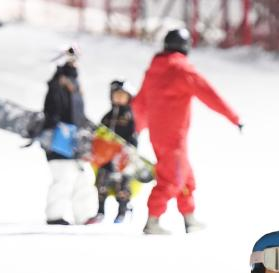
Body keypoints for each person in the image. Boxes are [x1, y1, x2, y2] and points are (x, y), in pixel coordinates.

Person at [131, 28, 242, 235]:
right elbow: (209, 94)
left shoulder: (153, 70)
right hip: (174, 137)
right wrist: (233, 117)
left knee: (185, 176)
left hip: (158, 136)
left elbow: (139, 104)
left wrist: (136, 129)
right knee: (172, 179)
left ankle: (189, 218)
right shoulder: (182, 70)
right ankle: (152, 221)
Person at [42, 46, 98, 225]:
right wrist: (53, 129)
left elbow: (78, 115)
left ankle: (84, 216)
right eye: (70, 58)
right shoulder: (57, 83)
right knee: (63, 177)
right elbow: (52, 111)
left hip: (76, 141)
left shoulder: (75, 85)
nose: (74, 62)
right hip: (59, 141)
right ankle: (54, 216)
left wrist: (89, 127)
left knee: (84, 177)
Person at [93, 80, 139, 224]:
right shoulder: (107, 117)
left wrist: (130, 148)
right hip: (107, 158)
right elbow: (99, 134)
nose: (119, 98)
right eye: (116, 95)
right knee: (101, 182)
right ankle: (100, 211)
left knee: (122, 185)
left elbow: (134, 136)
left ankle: (123, 211)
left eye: (122, 95)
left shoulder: (130, 116)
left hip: (124, 158)